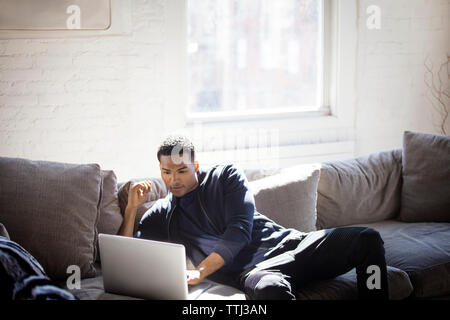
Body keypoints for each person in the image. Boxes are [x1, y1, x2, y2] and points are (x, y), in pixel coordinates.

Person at [118, 135, 389, 300]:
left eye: (181, 171)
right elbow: (126, 260)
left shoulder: (225, 176)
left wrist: (201, 272)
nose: (173, 180)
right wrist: (131, 210)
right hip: (257, 272)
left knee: (367, 239)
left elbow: (239, 230)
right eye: (166, 172)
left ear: (196, 166)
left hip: (296, 246)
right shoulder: (162, 215)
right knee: (270, 292)